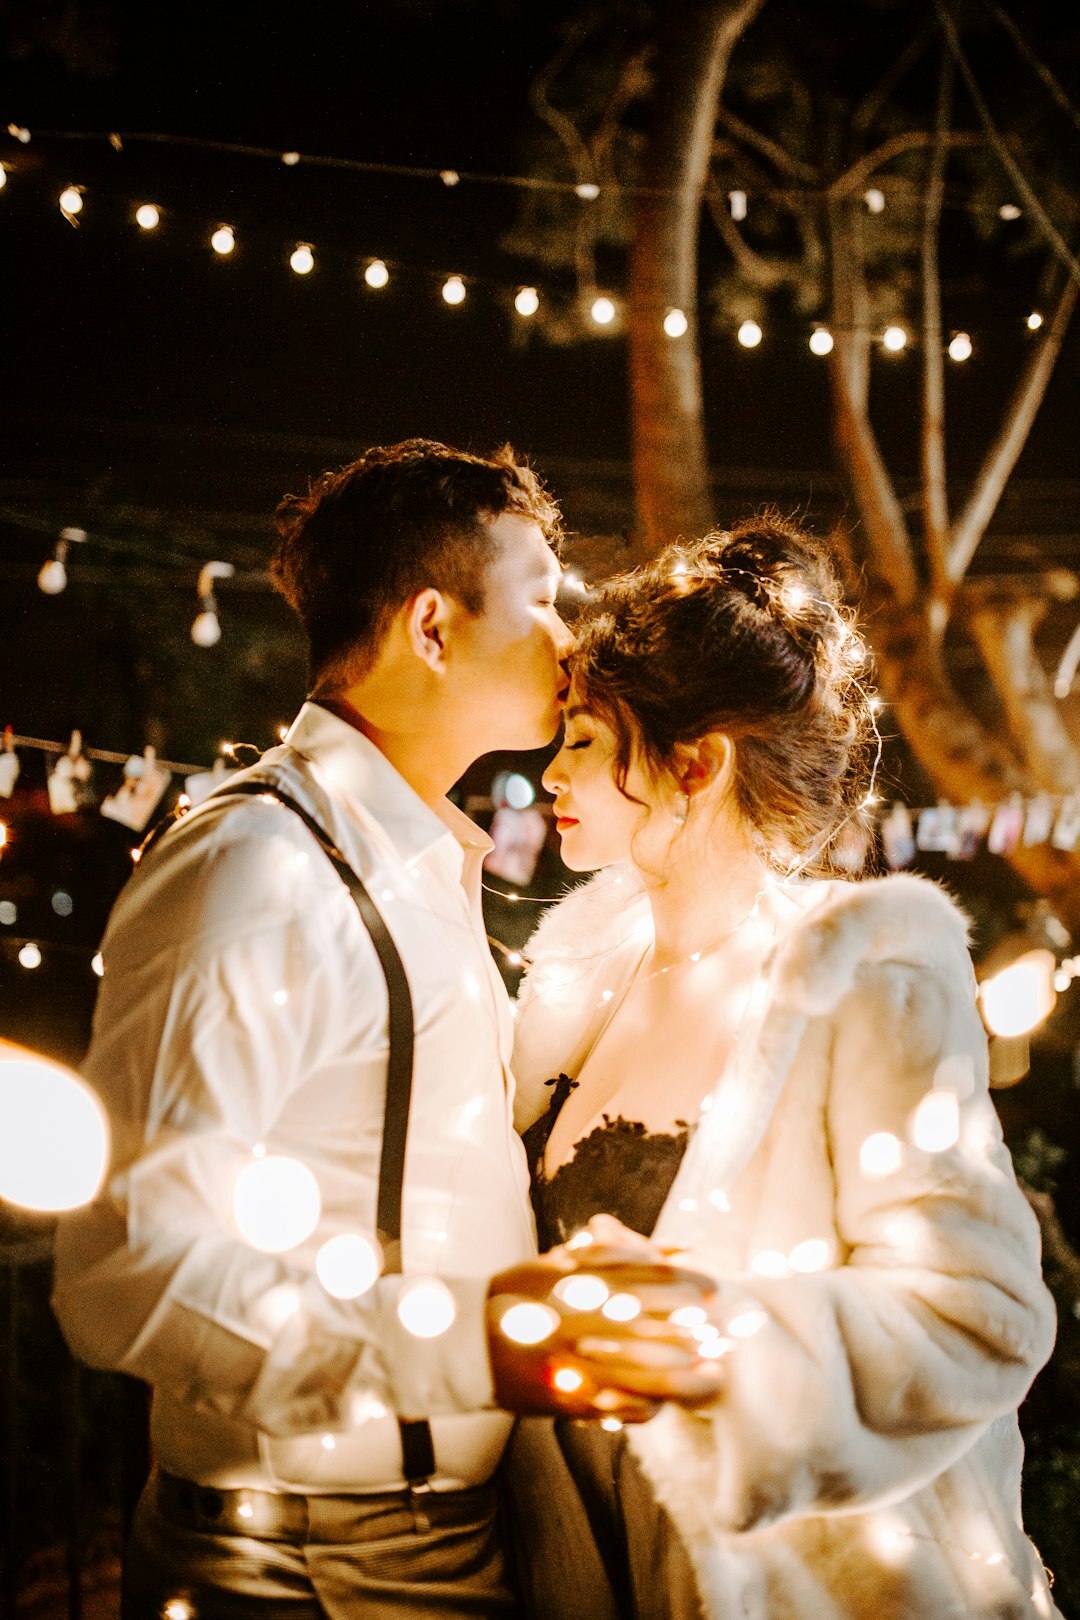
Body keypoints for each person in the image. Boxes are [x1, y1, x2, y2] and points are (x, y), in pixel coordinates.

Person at [52, 439, 720, 1620]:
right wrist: (475, 1347)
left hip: (440, 1536)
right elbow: (128, 1272)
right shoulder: (256, 868)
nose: (570, 641)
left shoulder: (421, 864)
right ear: (431, 627)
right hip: (304, 1563)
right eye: (541, 599)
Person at [510, 516, 1061, 1619]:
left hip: (809, 1584)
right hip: (589, 1566)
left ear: (696, 762)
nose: (551, 770)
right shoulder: (576, 978)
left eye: (584, 739)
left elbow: (984, 1313)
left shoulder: (861, 976)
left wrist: (723, 1343)